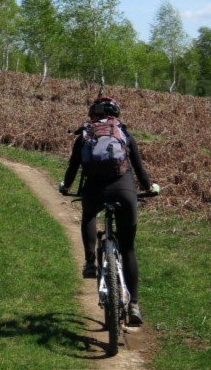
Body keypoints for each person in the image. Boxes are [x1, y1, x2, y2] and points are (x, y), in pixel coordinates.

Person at [59, 96, 159, 326]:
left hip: (94, 189)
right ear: (116, 114)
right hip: (123, 190)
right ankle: (133, 304)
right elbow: (140, 170)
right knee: (129, 249)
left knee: (89, 214)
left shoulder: (85, 135)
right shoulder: (122, 133)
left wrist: (65, 186)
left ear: (92, 114)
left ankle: (91, 263)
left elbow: (73, 167)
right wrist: (149, 187)